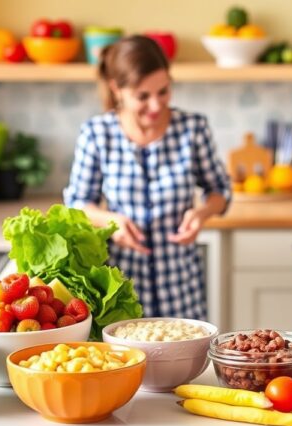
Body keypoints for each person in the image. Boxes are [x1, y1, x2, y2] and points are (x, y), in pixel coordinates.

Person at [64, 35, 231, 320]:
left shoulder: (192, 128)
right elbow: (78, 203)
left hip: (180, 285)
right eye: (143, 96)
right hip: (121, 284)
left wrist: (202, 213)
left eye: (163, 91)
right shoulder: (97, 133)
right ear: (117, 89)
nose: (156, 105)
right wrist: (110, 220)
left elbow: (220, 190)